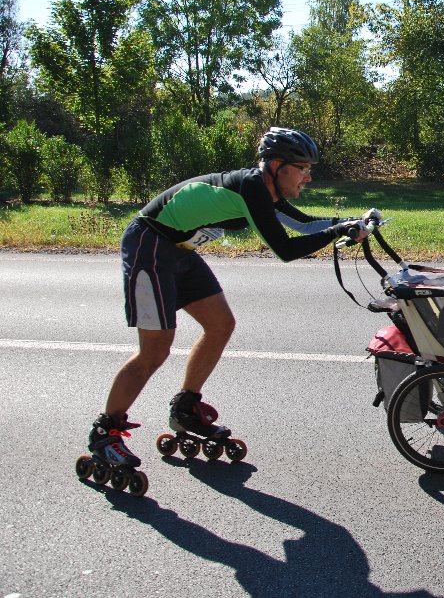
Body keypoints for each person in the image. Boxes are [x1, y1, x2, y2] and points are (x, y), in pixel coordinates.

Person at [86, 127, 379, 470]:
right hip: (148, 246)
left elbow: (302, 226)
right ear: (277, 166)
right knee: (155, 350)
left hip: (180, 250)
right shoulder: (252, 186)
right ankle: (105, 432)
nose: (308, 177)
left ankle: (186, 407)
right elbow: (284, 248)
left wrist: (350, 223)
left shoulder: (264, 191)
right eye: (303, 167)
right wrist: (337, 231)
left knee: (220, 324)